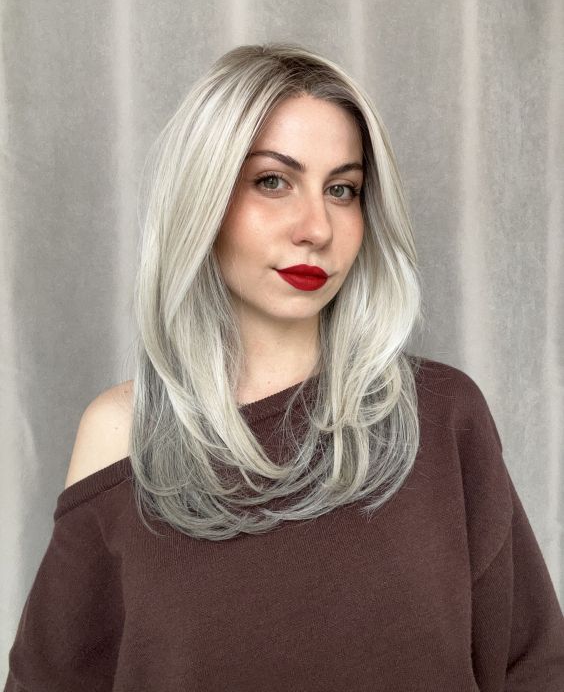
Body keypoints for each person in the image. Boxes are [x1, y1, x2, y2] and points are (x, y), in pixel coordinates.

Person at [5, 42, 564, 691]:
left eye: (342, 189)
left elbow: (534, 668)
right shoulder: (123, 432)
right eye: (273, 181)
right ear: (203, 197)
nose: (316, 228)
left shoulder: (441, 415)